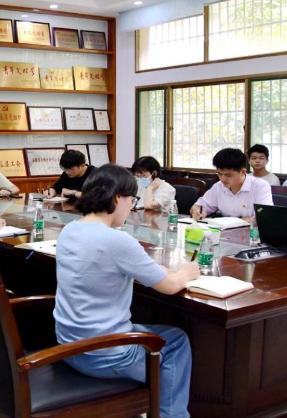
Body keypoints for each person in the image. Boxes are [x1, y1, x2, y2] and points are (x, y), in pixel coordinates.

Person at [53, 164, 199, 418]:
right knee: (176, 342)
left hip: (67, 345)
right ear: (116, 198)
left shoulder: (70, 229)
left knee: (157, 332)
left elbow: (123, 265)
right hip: (104, 355)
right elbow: (169, 286)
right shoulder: (117, 240)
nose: (132, 206)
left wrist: (156, 269)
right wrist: (186, 272)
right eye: (132, 199)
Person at [190, 148, 273, 220]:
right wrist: (197, 210)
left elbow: (264, 217)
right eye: (219, 174)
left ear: (243, 172)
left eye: (228, 175)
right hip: (223, 231)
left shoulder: (260, 186)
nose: (222, 179)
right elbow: (201, 205)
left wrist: (238, 222)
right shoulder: (218, 186)